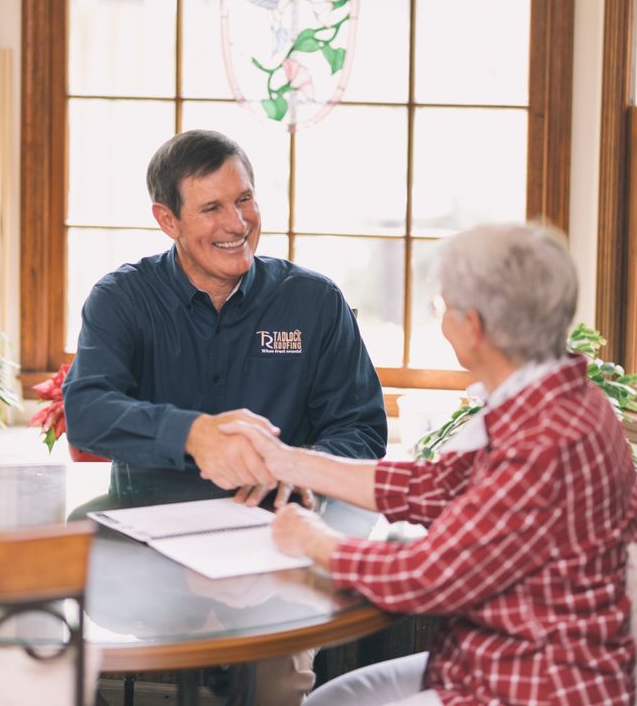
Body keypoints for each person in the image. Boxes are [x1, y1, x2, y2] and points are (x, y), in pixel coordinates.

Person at [222, 223, 637, 705]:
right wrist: (289, 461)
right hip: (496, 654)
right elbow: (435, 488)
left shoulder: (545, 440)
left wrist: (312, 540)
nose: (441, 321)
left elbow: (425, 576)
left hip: (533, 681)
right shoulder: (556, 397)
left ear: (474, 326)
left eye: (442, 307)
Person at [62, 128, 388, 706]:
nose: (237, 223)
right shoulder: (120, 299)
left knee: (274, 680)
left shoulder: (314, 302)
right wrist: (192, 434)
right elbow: (87, 411)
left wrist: (297, 466)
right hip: (147, 549)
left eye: (244, 199)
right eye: (212, 207)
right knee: (65, 657)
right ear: (168, 219)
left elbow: (362, 427)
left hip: (280, 544)